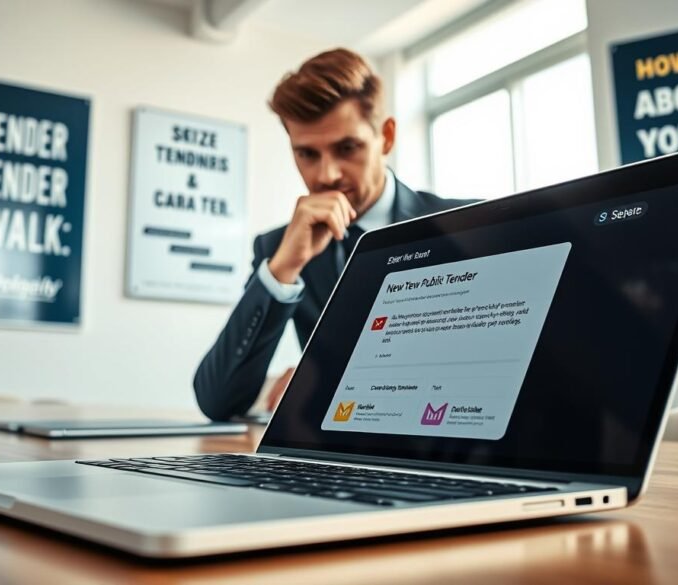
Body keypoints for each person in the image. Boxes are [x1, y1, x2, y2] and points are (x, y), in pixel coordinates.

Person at [193, 48, 476, 421]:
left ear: (386, 136)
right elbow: (216, 400)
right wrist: (283, 268)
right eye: (307, 154)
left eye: (347, 148)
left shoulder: (466, 224)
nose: (326, 175)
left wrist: (326, 382)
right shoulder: (278, 248)